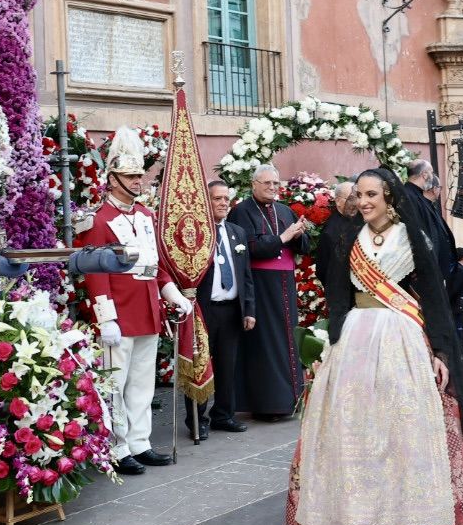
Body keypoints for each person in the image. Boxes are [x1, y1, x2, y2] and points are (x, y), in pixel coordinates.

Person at [288, 167, 463, 525]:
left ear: (389, 198)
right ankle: (354, 521)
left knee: (402, 424)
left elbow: (434, 298)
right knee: (353, 425)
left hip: (402, 335)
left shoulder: (413, 237)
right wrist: (328, 346)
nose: (364, 202)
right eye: (360, 196)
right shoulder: (349, 238)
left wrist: (439, 352)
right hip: (354, 338)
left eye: (372, 195)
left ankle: (410, 518)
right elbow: (338, 295)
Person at [79, 129, 192, 474]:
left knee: (143, 382)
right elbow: (94, 271)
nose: (138, 181)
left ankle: (140, 442)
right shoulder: (97, 220)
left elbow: (155, 266)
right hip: (119, 314)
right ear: (112, 180)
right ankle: (118, 447)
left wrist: (172, 295)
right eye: (130, 176)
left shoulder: (145, 215)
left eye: (140, 175)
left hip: (147, 310)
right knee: (115, 384)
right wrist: (105, 317)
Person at [227, 164, 314, 420]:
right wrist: (284, 237)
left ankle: (291, 400)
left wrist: (298, 234)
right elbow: (251, 248)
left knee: (289, 338)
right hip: (260, 284)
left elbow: (303, 248)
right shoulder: (241, 211)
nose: (272, 188)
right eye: (267, 183)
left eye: (275, 183)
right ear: (254, 184)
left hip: (285, 283)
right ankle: (269, 405)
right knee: (266, 342)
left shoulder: (284, 210)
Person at [197, 181, 256, 440]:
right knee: (200, 366)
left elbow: (246, 276)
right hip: (205, 309)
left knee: (227, 365)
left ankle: (223, 415)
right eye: (217, 199)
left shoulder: (236, 232)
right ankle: (198, 419)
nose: (223, 203)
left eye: (226, 198)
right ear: (205, 202)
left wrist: (249, 310)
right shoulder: (196, 234)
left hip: (231, 309)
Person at [403, 160, 456, 278]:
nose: (432, 177)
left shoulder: (417, 196)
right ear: (425, 174)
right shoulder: (409, 197)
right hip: (423, 273)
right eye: (431, 173)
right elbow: (418, 234)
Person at [315, 180, 359, 291]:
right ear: (338, 201)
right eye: (351, 199)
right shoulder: (331, 230)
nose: (356, 203)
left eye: (358, 197)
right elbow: (322, 269)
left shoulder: (359, 221)